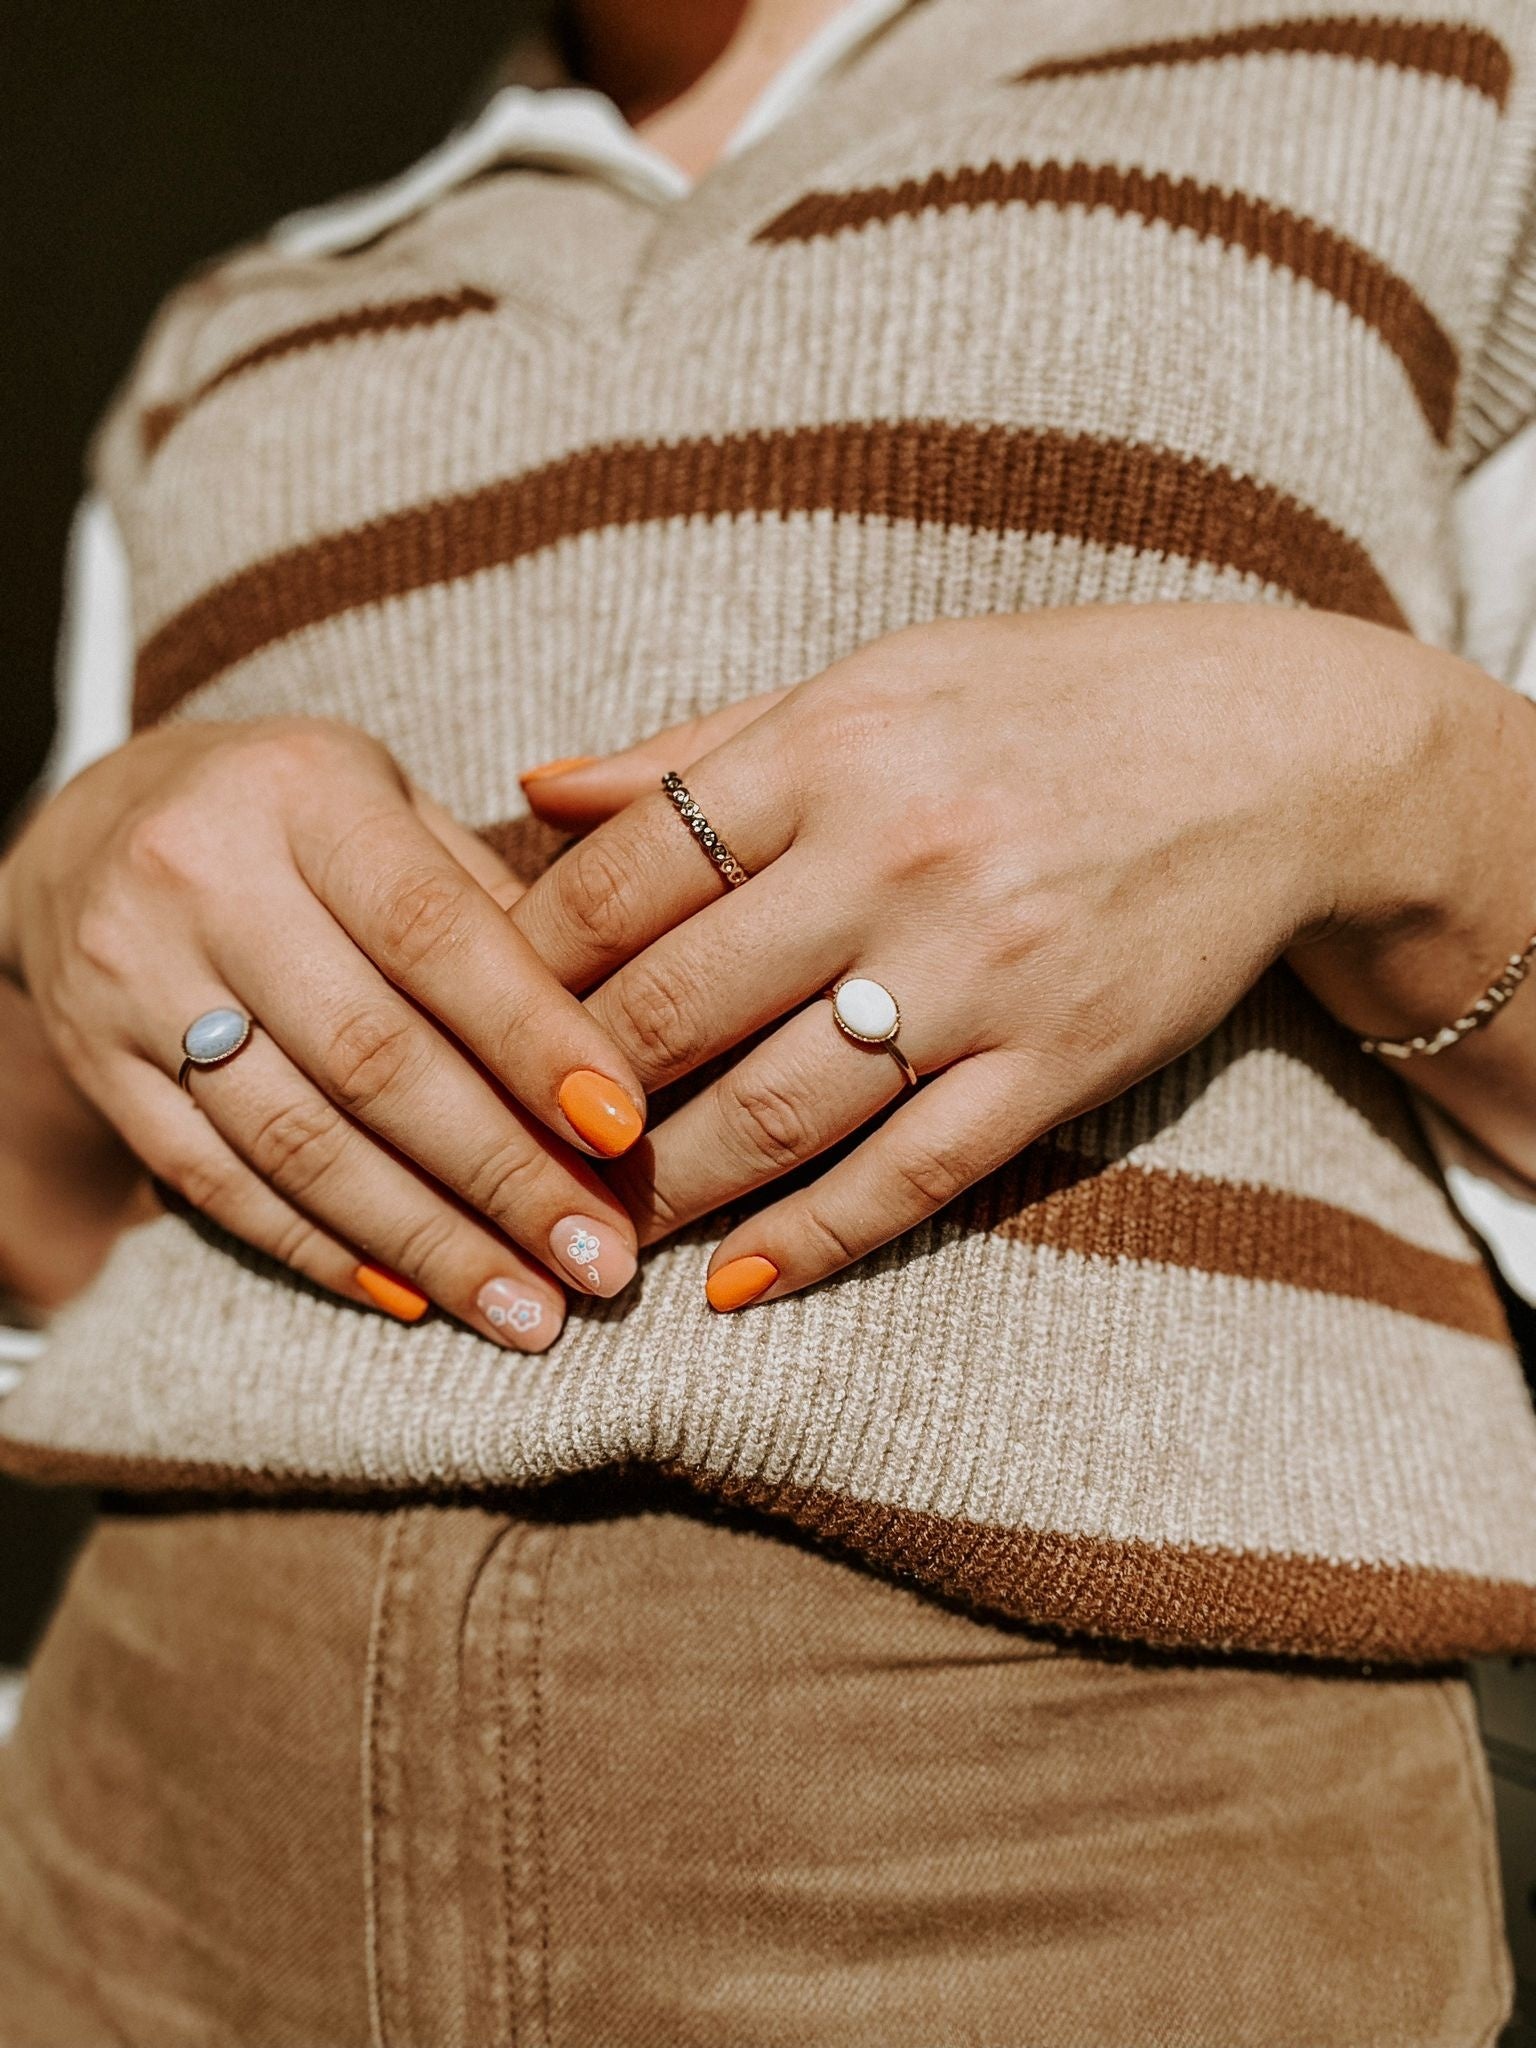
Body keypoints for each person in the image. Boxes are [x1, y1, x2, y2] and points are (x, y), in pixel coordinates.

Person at [2, 0, 1535, 2038]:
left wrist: (1370, 770)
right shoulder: (234, 337)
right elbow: (47, 1223)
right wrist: (58, 892)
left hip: (1075, 1855)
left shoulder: (1440, 73)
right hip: (152, 1837)